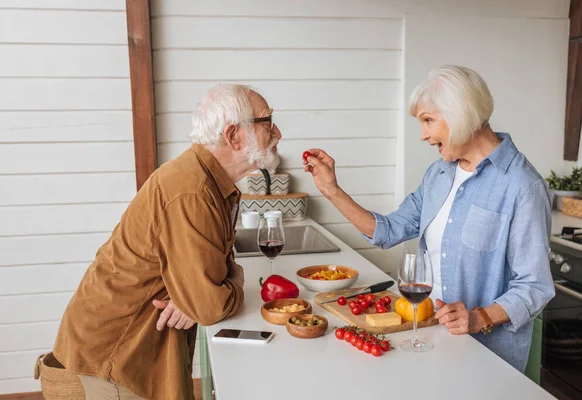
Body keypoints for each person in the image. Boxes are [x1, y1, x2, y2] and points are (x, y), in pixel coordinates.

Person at [303, 65, 554, 372]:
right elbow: (389, 230)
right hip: (429, 336)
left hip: (486, 357)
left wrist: (480, 317)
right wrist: (331, 190)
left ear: (461, 114)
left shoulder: (523, 186)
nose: (423, 135)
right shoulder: (438, 174)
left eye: (428, 121)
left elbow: (535, 285)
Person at [53, 84, 282, 399]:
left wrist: (199, 295)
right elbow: (209, 305)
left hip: (140, 344)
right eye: (267, 123)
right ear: (233, 135)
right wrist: (232, 282)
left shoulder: (211, 182)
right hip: (119, 352)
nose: (277, 133)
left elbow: (208, 283)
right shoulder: (192, 191)